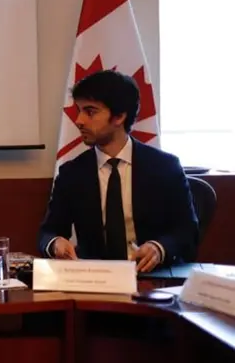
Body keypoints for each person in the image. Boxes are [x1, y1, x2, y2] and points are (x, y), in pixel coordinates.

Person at [38, 70, 198, 272]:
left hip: (150, 275)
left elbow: (187, 230)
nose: (79, 120)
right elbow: (48, 232)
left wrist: (159, 248)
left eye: (90, 112)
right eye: (79, 111)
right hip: (95, 277)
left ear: (119, 116)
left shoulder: (164, 167)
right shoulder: (72, 173)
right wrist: (55, 243)